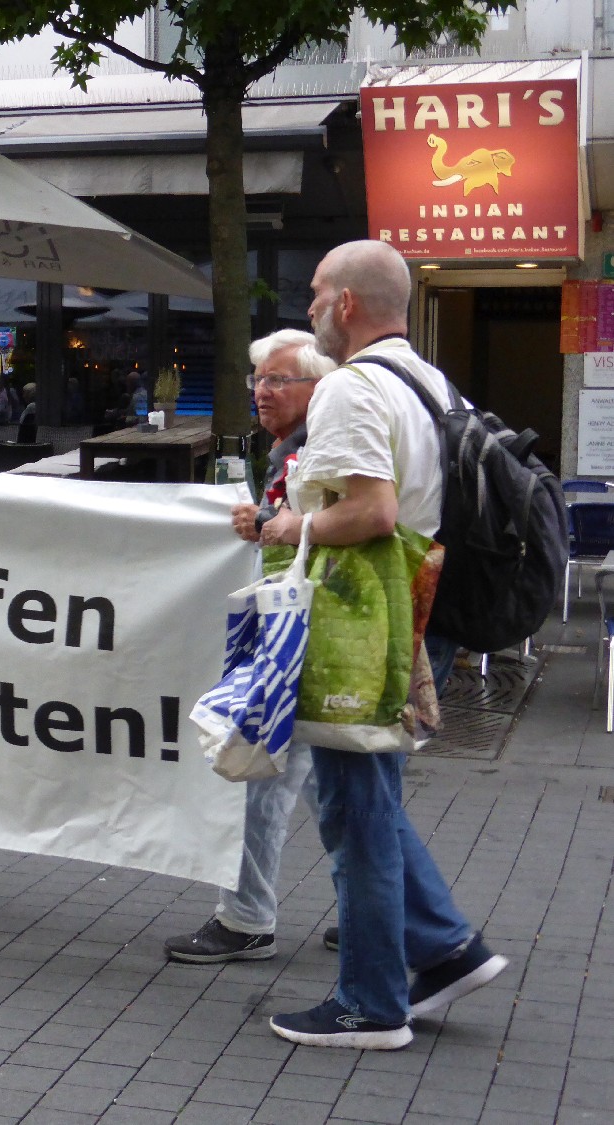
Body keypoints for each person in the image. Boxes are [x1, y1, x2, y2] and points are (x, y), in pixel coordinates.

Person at [260, 241, 507, 1050]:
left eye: (316, 292)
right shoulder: (429, 381)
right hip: (415, 613)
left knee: (354, 812)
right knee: (369, 798)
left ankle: (370, 1003)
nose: (308, 307)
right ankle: (446, 950)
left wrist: (290, 524)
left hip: (363, 625)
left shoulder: (349, 386)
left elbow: (370, 510)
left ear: (347, 304)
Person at [164, 329, 332, 964]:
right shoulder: (292, 448)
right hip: (306, 639)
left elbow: (332, 530)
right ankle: (389, 913)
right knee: (333, 793)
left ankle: (246, 919)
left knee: (266, 778)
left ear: (318, 388)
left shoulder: (318, 451)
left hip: (302, 641)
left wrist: (269, 526)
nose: (263, 391)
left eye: (279, 380)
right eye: (257, 379)